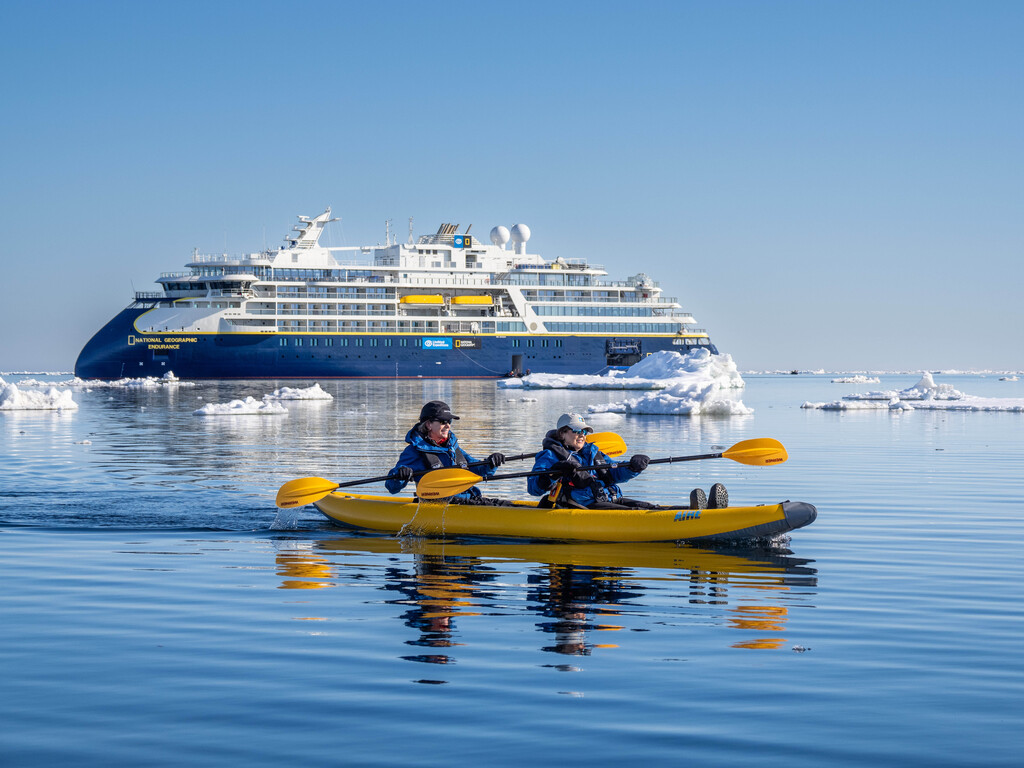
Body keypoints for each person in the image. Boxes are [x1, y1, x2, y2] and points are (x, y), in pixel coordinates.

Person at [386, 400, 506, 504]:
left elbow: (480, 471)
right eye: (443, 422)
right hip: (440, 504)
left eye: (449, 421)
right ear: (428, 424)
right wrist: (400, 474)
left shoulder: (453, 448)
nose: (448, 425)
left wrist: (491, 463)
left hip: (467, 500)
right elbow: (392, 487)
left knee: (507, 505)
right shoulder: (414, 451)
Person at [527, 413, 653, 509]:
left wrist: (632, 468)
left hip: (607, 499)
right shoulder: (549, 455)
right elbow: (533, 488)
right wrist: (553, 474)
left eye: (584, 431)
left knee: (651, 508)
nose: (582, 435)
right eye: (577, 431)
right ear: (562, 434)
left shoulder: (593, 452)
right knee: (636, 511)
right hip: (579, 505)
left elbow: (613, 472)